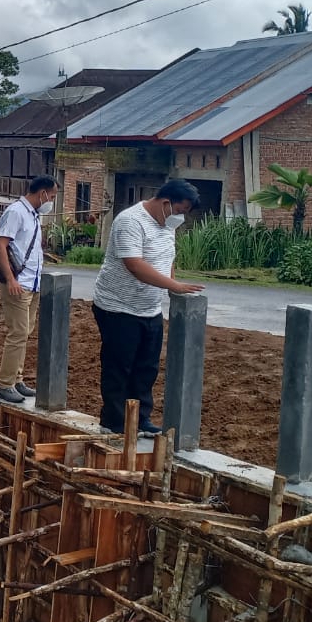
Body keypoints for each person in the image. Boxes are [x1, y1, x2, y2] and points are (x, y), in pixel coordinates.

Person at [92, 179, 204, 435]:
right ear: (166, 203)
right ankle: (114, 422)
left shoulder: (167, 225)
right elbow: (134, 264)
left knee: (146, 368)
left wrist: (171, 284)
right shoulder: (130, 221)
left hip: (149, 308)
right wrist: (175, 286)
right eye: (180, 211)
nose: (180, 218)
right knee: (119, 367)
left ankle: (140, 419)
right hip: (117, 308)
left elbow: (167, 258)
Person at [0, 176, 58, 404]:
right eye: (51, 196)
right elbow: (1, 246)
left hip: (33, 283)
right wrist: (10, 279)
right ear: (42, 193)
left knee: (24, 332)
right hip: (19, 283)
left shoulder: (33, 216)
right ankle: (5, 384)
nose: (51, 201)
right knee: (17, 333)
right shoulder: (16, 212)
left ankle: (16, 378)